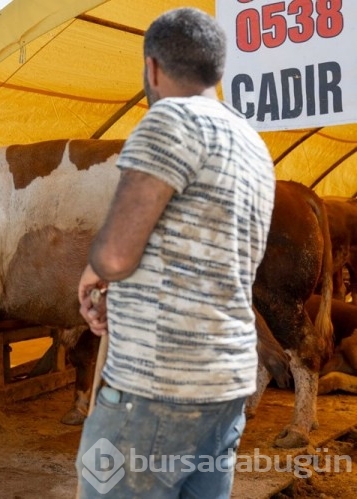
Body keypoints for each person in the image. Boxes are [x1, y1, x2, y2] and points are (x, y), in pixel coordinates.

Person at [75, 7, 275, 499]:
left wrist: (95, 270)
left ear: (153, 68)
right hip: (226, 383)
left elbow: (117, 257)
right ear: (217, 69)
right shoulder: (252, 142)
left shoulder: (169, 118)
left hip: (158, 386)